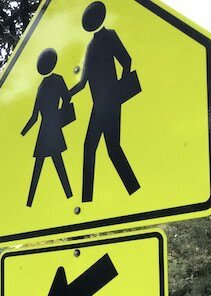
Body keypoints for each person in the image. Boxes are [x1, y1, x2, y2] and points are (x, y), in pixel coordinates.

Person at [70, 1, 141, 203]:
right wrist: (68, 94)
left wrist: (117, 89)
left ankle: (88, 199)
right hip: (102, 105)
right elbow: (84, 82)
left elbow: (126, 61)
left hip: (106, 104)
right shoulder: (92, 46)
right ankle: (131, 190)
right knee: (109, 148)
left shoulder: (105, 39)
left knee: (98, 147)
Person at [21, 48, 74, 208]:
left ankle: (30, 202)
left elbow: (34, 117)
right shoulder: (57, 80)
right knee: (57, 163)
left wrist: (23, 132)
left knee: (41, 165)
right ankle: (69, 195)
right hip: (53, 127)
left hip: (44, 130)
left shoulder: (41, 87)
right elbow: (66, 98)